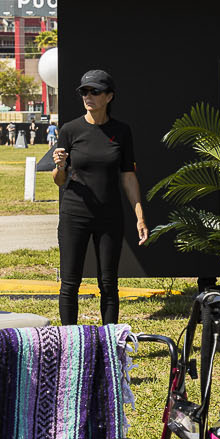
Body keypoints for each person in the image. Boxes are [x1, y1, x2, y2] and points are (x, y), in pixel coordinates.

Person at [49, 68, 149, 326]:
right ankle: (70, 341)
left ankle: (110, 343)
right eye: (84, 91)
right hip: (74, 214)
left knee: (108, 283)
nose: (88, 96)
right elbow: (60, 181)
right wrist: (60, 167)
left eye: (95, 91)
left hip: (109, 216)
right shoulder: (70, 130)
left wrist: (140, 216)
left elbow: (128, 176)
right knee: (70, 283)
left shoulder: (122, 131)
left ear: (109, 96)